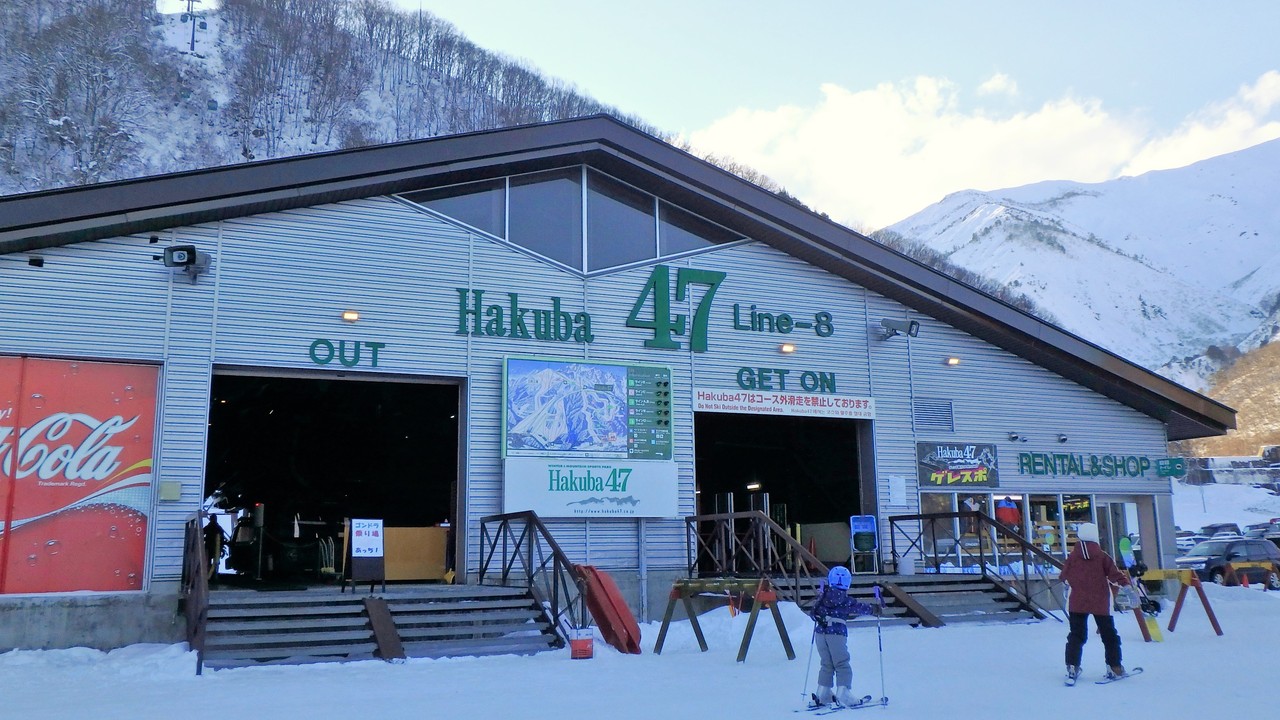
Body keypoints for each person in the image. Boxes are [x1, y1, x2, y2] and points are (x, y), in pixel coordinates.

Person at [1060, 522, 1131, 682]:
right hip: (1100, 602)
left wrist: (1069, 585)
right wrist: (1126, 586)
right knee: (1109, 635)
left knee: (1076, 635)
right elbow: (1115, 575)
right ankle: (1115, 668)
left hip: (1077, 602)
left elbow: (1064, 576)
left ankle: (1072, 667)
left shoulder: (1072, 557)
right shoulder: (1102, 556)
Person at [808, 566, 877, 708]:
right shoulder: (844, 599)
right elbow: (858, 607)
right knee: (841, 663)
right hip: (836, 633)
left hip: (820, 633)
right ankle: (843, 692)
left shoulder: (823, 596)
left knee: (826, 663)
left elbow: (812, 612)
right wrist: (873, 609)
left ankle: (823, 692)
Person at [203, 514, 227, 581]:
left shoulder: (208, 527)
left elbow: (202, 533)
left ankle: (208, 577)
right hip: (216, 547)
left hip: (208, 547)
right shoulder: (218, 528)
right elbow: (222, 539)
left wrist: (205, 539)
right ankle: (214, 576)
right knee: (215, 563)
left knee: (207, 562)